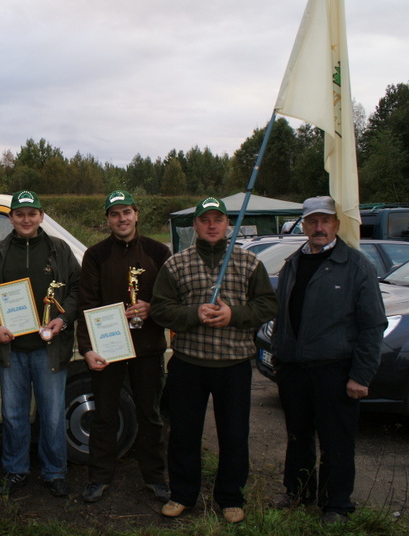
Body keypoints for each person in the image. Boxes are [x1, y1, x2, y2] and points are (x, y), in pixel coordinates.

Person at [150, 196, 277, 523]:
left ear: (227, 224)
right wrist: (193, 314)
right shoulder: (176, 264)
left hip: (233, 365)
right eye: (204, 220)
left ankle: (230, 497)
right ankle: (182, 494)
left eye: (217, 219)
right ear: (195, 225)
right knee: (184, 434)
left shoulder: (248, 262)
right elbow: (161, 309)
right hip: (189, 364)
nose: (211, 225)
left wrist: (234, 315)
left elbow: (267, 305)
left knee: (234, 435)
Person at [270, 196, 386, 524]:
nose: (319, 227)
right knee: (298, 436)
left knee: (336, 441)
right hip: (294, 370)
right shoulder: (293, 263)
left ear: (336, 224)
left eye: (325, 221)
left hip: (334, 369)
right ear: (304, 225)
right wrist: (280, 357)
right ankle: (298, 492)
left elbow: (373, 325)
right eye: (312, 221)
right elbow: (283, 316)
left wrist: (361, 375)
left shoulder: (357, 266)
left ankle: (337, 505)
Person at [0, 190, 80, 498]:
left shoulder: (59, 249)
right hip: (11, 350)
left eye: (32, 213)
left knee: (53, 416)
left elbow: (76, 288)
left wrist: (64, 318)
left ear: (41, 216)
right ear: (10, 218)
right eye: (19, 214)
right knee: (13, 415)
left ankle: (55, 471)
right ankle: (15, 470)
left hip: (50, 349)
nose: (26, 219)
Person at [77, 191, 171, 504]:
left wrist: (152, 308)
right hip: (109, 347)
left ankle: (155, 477)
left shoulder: (158, 252)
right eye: (115, 214)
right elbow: (87, 304)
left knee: (150, 414)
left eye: (127, 212)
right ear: (108, 219)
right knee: (104, 414)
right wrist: (87, 348)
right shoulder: (96, 255)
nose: (122, 219)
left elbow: (171, 299)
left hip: (148, 347)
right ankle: (99, 477)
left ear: (136, 214)